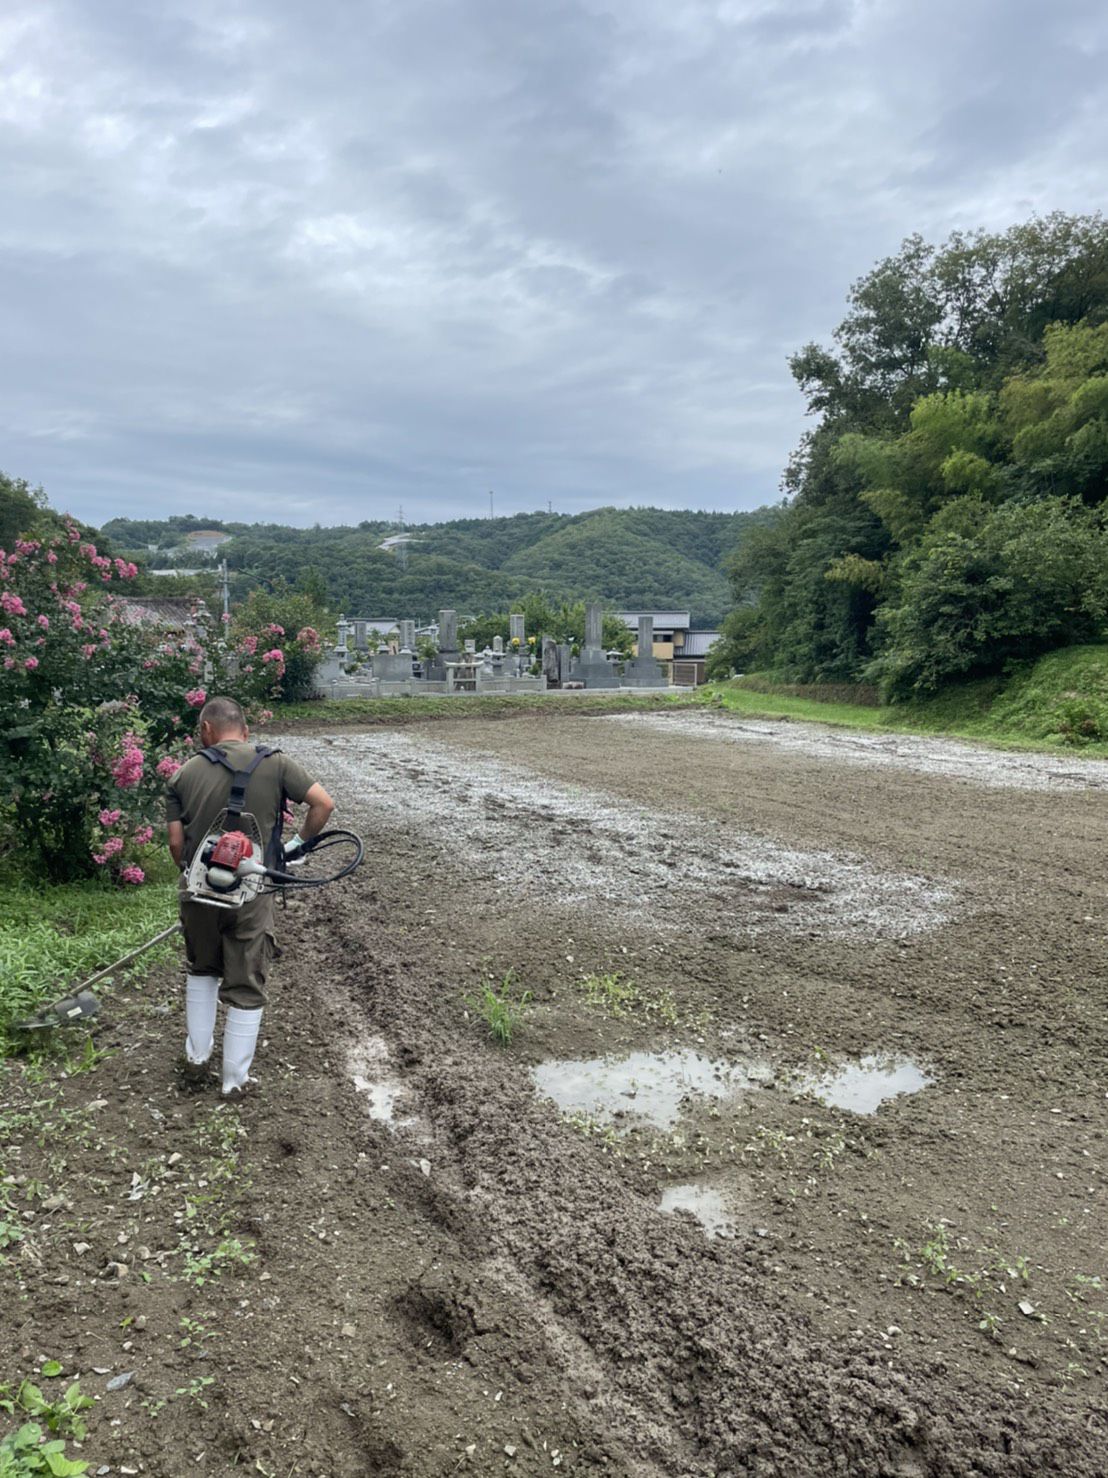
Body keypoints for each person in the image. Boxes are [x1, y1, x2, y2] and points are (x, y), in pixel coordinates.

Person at [165, 696, 334, 1096]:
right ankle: (234, 1081)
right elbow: (323, 804)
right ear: (244, 730)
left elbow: (175, 844)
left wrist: (198, 875)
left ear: (206, 730)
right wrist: (293, 847)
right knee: (246, 983)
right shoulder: (276, 764)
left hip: (199, 891)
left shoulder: (183, 774)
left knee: (202, 970)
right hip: (253, 892)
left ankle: (196, 1060)